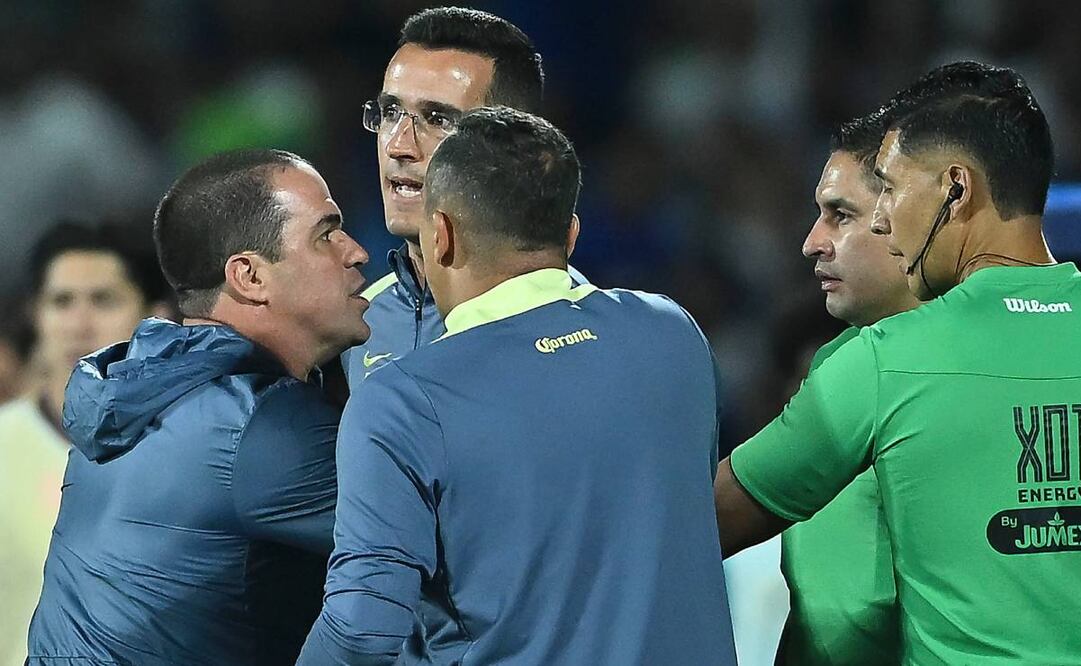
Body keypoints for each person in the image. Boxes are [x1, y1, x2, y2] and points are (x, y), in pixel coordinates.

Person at [299, 107, 736, 665]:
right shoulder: (673, 332)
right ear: (571, 234)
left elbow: (361, 631)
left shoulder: (403, 401)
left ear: (441, 235)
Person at [714, 61, 1080, 664]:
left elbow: (709, 528)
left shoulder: (885, 359)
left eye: (887, 187)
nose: (883, 218)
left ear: (956, 189)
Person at [27, 149, 370, 665]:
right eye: (327, 234)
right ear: (249, 277)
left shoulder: (137, 396)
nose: (358, 252)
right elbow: (449, 540)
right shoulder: (260, 423)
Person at [342, 6, 586, 388]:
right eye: (391, 112)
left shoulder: (580, 331)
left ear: (512, 143)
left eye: (438, 119)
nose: (399, 146)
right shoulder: (354, 328)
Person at [779, 110, 920, 665]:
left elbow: (844, 609)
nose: (813, 243)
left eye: (841, 215)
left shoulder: (867, 365)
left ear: (902, 215)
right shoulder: (840, 357)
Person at [0, 222, 166, 666]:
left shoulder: (188, 450)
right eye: (61, 302)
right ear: (35, 315)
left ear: (156, 316)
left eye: (103, 300)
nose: (80, 323)